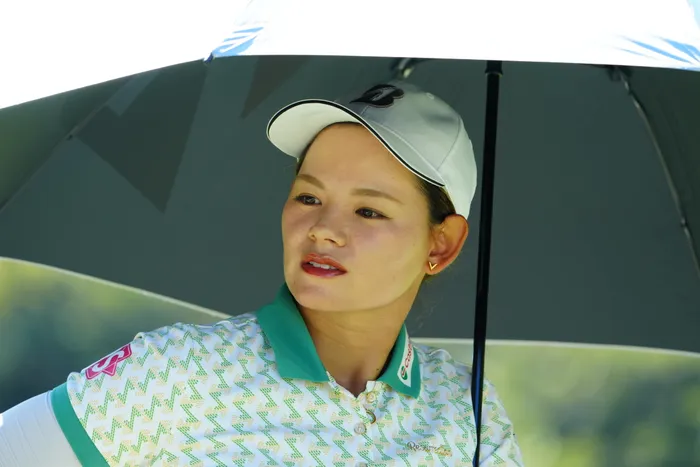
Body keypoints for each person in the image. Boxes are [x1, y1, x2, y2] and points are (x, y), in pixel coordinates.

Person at [0, 81, 524, 466]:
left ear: (442, 243)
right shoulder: (180, 372)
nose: (323, 229)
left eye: (368, 211)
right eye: (309, 197)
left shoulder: (467, 411)